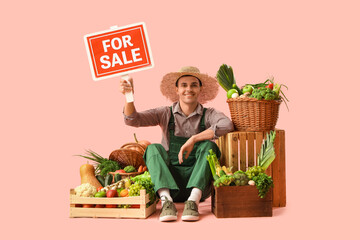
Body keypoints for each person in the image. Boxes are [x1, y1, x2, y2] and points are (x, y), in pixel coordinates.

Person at [120, 66, 234, 222]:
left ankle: (192, 203)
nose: (189, 89)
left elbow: (227, 125)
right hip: (169, 183)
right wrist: (129, 96)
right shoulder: (165, 113)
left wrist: (193, 139)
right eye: (184, 85)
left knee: (210, 147)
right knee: (153, 148)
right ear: (177, 90)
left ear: (200, 89)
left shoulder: (210, 114)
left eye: (194, 85)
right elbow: (133, 120)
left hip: (199, 187)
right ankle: (167, 202)